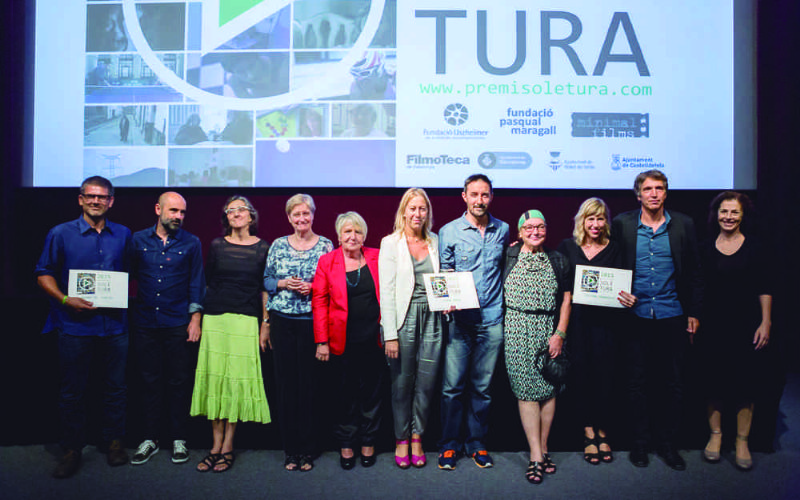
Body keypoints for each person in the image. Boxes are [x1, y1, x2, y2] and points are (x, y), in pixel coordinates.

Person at [35, 176, 132, 478]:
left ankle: (114, 442)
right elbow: (43, 273)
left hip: (114, 325)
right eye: (90, 196)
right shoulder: (60, 233)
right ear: (80, 199)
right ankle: (71, 449)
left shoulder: (123, 234)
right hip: (74, 325)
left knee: (116, 388)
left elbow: (130, 271)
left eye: (102, 197)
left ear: (110, 201)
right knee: (72, 391)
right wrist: (66, 299)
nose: (95, 201)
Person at [611, 169, 702, 471]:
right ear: (638, 194)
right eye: (648, 189)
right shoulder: (623, 224)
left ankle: (667, 444)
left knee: (671, 383)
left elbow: (695, 272)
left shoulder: (683, 225)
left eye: (659, 188)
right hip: (634, 316)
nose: (654, 194)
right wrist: (617, 293)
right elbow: (610, 264)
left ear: (666, 192)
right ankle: (640, 444)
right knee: (636, 383)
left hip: (671, 313)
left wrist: (694, 312)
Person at [190, 196, 271, 473]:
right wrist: (198, 317)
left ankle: (227, 446)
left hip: (245, 320)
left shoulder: (263, 248)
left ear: (251, 216)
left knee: (235, 383)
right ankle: (214, 446)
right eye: (231, 210)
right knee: (216, 381)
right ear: (226, 217)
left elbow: (264, 288)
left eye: (241, 209)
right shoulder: (217, 245)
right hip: (215, 319)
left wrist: (265, 323)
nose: (236, 213)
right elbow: (207, 282)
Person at [557, 198, 637, 465]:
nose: (595, 224)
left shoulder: (616, 249)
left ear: (606, 222)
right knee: (581, 376)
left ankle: (602, 430)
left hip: (608, 325)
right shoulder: (567, 247)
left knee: (605, 377)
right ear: (581, 221)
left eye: (600, 218)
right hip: (577, 324)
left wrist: (630, 298)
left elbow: (627, 285)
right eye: (590, 218)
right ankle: (588, 431)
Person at [437, 174, 510, 470]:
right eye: (474, 194)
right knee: (452, 388)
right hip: (460, 321)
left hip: (492, 320)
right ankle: (449, 445)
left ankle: (477, 443)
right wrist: (446, 300)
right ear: (464, 196)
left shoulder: (502, 229)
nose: (480, 200)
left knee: (483, 388)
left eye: (485, 195)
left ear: (491, 197)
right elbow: (444, 272)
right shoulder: (449, 231)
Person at [129, 192, 205, 466]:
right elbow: (126, 274)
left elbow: (197, 282)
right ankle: (149, 438)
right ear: (158, 209)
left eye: (182, 212)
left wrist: (195, 319)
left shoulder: (191, 242)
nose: (178, 216)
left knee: (179, 382)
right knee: (148, 381)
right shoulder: (137, 240)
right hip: (145, 322)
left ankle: (178, 438)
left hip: (177, 323)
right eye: (173, 211)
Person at [698, 191, 771, 471]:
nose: (728, 217)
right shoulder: (705, 247)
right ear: (716, 214)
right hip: (712, 326)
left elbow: (765, 286)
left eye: (734, 212)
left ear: (742, 216)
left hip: (746, 325)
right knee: (713, 382)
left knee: (745, 384)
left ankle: (742, 441)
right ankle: (715, 436)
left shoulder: (756, 247)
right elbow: (698, 287)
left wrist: (766, 321)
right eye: (724, 211)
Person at [263, 194, 333, 472]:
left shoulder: (325, 244)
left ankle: (308, 450)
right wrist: (283, 283)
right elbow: (266, 280)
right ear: (289, 218)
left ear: (313, 215)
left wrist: (313, 287)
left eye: (306, 214)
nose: (302, 219)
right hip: (281, 322)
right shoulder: (278, 245)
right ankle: (290, 450)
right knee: (286, 387)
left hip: (311, 322)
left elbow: (333, 283)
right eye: (296, 214)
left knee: (310, 387)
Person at [312, 212, 384, 470]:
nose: (353, 236)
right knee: (344, 395)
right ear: (339, 236)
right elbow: (319, 301)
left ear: (364, 235)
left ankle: (368, 441)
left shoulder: (377, 257)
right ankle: (346, 443)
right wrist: (321, 341)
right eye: (347, 231)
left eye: (358, 231)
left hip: (374, 340)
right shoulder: (327, 261)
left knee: (371, 395)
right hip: (341, 342)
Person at [504, 210, 571, 484]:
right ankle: (534, 454)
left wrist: (560, 334)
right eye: (529, 227)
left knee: (548, 389)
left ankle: (543, 449)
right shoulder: (508, 256)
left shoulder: (558, 260)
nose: (535, 232)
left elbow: (566, 300)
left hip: (547, 330)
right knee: (526, 391)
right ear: (520, 232)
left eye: (540, 227)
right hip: (516, 329)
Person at [379, 188, 442, 469]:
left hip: (433, 317)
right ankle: (401, 439)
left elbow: (443, 280)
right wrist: (390, 335)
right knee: (402, 383)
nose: (417, 214)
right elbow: (387, 291)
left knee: (426, 383)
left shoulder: (435, 240)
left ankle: (418, 437)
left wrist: (448, 300)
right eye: (413, 208)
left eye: (422, 209)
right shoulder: (390, 243)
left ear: (428, 213)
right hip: (403, 319)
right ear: (404, 211)